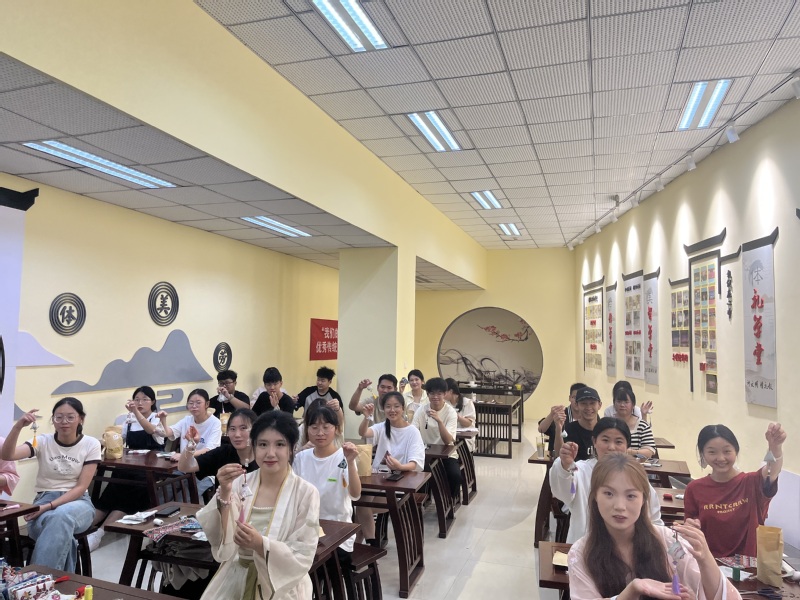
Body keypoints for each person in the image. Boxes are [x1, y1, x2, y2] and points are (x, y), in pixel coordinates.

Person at [568, 454, 740, 600]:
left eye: (631, 496)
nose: (620, 506)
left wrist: (705, 558)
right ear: (595, 496)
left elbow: (723, 597)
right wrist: (633, 589)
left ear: (643, 499)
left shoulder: (668, 541)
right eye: (609, 493)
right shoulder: (581, 553)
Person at [196, 411, 320, 600]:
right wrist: (225, 492)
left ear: (292, 448)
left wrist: (261, 544)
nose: (270, 453)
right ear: (253, 446)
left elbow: (303, 553)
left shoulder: (306, 493)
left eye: (280, 444)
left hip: (281, 586)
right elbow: (223, 539)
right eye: (262, 444)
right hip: (237, 575)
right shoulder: (240, 482)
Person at [1, 398, 100, 571]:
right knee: (64, 536)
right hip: (44, 499)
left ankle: (36, 578)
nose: (64, 422)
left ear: (81, 419)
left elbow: (80, 487)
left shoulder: (91, 444)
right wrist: (18, 427)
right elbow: (8, 455)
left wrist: (47, 507)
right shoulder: (42, 441)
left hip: (78, 503)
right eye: (58, 417)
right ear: (53, 420)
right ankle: (55, 584)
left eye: (70, 417)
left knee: (61, 516)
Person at [550, 417, 663, 543]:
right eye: (605, 440)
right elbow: (563, 491)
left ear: (627, 446)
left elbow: (653, 518)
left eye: (619, 442)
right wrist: (565, 466)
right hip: (586, 546)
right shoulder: (580, 471)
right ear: (594, 441)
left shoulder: (635, 475)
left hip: (628, 548)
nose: (611, 447)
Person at [683, 422, 786, 558]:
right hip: (709, 563)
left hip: (748, 566)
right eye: (712, 452)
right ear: (703, 454)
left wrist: (775, 447)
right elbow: (689, 527)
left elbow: (772, 470)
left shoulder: (751, 482)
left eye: (727, 451)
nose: (721, 458)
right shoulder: (694, 488)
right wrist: (690, 526)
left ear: (736, 451)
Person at [293, 404, 361, 599]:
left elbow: (355, 494)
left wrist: (350, 462)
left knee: (318, 565)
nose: (320, 433)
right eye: (314, 427)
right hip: (306, 529)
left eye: (326, 427)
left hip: (338, 533)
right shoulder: (302, 458)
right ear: (307, 430)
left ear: (337, 429)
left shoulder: (344, 456)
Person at [91, 386, 166, 549]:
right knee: (111, 492)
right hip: (129, 465)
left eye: (144, 399)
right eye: (136, 399)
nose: (140, 403)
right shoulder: (129, 420)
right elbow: (119, 439)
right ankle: (84, 530)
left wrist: (135, 412)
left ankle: (100, 533)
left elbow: (150, 430)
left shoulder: (157, 418)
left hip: (149, 469)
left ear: (153, 402)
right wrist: (100, 441)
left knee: (127, 498)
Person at [356, 391, 424, 542]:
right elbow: (363, 432)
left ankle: (365, 546)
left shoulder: (412, 432)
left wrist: (400, 466)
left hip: (399, 483)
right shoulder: (381, 427)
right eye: (388, 406)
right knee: (361, 504)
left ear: (403, 408)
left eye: (396, 406)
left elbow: (415, 463)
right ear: (383, 409)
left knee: (362, 507)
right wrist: (366, 417)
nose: (392, 410)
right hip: (376, 480)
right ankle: (368, 545)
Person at [162, 389, 222, 496]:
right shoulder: (187, 420)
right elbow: (168, 432)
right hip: (185, 468)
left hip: (205, 470)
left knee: (186, 497)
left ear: (207, 404)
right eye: (191, 403)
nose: (194, 406)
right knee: (164, 492)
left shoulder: (215, 423)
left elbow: (210, 450)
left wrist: (184, 455)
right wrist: (163, 420)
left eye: (198, 403)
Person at [412, 377, 461, 497]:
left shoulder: (450, 412)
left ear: (445, 394)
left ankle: (451, 501)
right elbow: (413, 432)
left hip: (446, 453)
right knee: (417, 475)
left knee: (455, 475)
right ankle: (422, 501)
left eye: (439, 393)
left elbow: (448, 440)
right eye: (432, 393)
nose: (435, 396)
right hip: (425, 453)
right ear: (427, 394)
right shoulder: (421, 410)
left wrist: (439, 421)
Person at [178, 408, 259, 481]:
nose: (237, 434)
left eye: (243, 428)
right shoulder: (223, 453)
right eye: (232, 429)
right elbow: (185, 467)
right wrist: (191, 444)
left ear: (255, 430)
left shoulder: (263, 457)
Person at [556, 386, 602, 460]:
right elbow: (559, 456)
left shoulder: (606, 429)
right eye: (583, 403)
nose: (588, 407)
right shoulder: (569, 429)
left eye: (592, 403)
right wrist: (558, 428)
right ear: (576, 405)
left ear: (599, 405)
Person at [538, 382, 585, 454]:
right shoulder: (561, 414)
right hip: (557, 457)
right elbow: (541, 429)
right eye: (574, 397)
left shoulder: (589, 416)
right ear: (569, 398)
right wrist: (551, 414)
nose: (577, 401)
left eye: (580, 398)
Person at [611, 386, 656, 459]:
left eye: (626, 402)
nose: (622, 405)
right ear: (614, 404)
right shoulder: (608, 424)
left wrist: (630, 452)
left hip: (635, 464)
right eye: (619, 402)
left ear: (633, 405)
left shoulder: (642, 426)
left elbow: (649, 452)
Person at [209, 370, 251, 436]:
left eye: (227, 383)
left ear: (235, 383)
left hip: (238, 433)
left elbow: (246, 410)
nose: (224, 386)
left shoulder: (242, 396)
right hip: (219, 435)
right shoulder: (213, 400)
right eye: (221, 383)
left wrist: (228, 396)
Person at [445, 378, 476, 452]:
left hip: (464, 438)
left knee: (453, 446)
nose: (442, 395)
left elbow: (468, 423)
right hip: (449, 434)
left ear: (451, 391)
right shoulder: (445, 403)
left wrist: (456, 416)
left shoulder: (467, 402)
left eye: (444, 392)